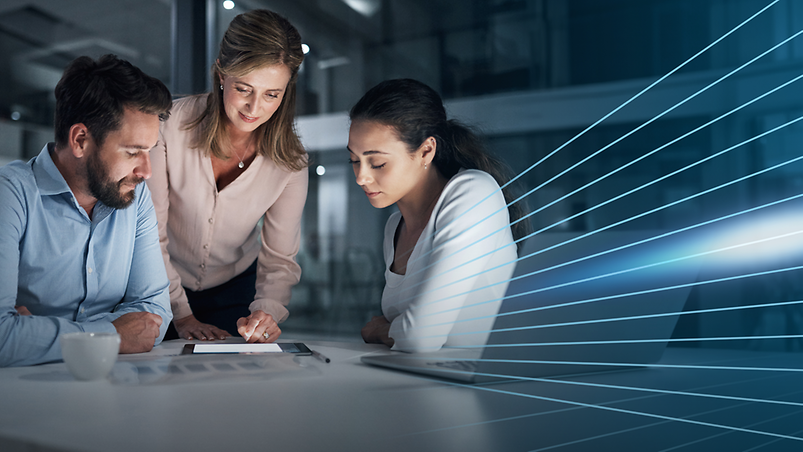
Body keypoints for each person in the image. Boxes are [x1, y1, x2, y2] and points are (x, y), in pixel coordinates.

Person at [0, 54, 173, 367]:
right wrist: (112, 334)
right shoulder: (10, 195)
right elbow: (2, 338)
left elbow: (153, 315)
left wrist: (35, 334)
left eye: (148, 152)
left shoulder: (134, 195)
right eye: (133, 152)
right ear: (80, 140)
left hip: (115, 389)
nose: (146, 171)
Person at [147, 9, 308, 343]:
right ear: (221, 72)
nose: (254, 108)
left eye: (272, 95)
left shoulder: (292, 162)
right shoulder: (168, 127)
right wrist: (182, 313)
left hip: (235, 293)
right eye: (244, 88)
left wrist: (267, 311)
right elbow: (150, 235)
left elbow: (279, 260)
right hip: (157, 284)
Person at [349, 79, 528, 353]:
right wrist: (398, 331)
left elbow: (421, 336)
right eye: (354, 160)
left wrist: (382, 330)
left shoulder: (472, 192)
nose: (361, 177)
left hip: (489, 383)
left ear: (426, 151)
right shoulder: (395, 226)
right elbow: (410, 333)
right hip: (424, 379)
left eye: (377, 163)